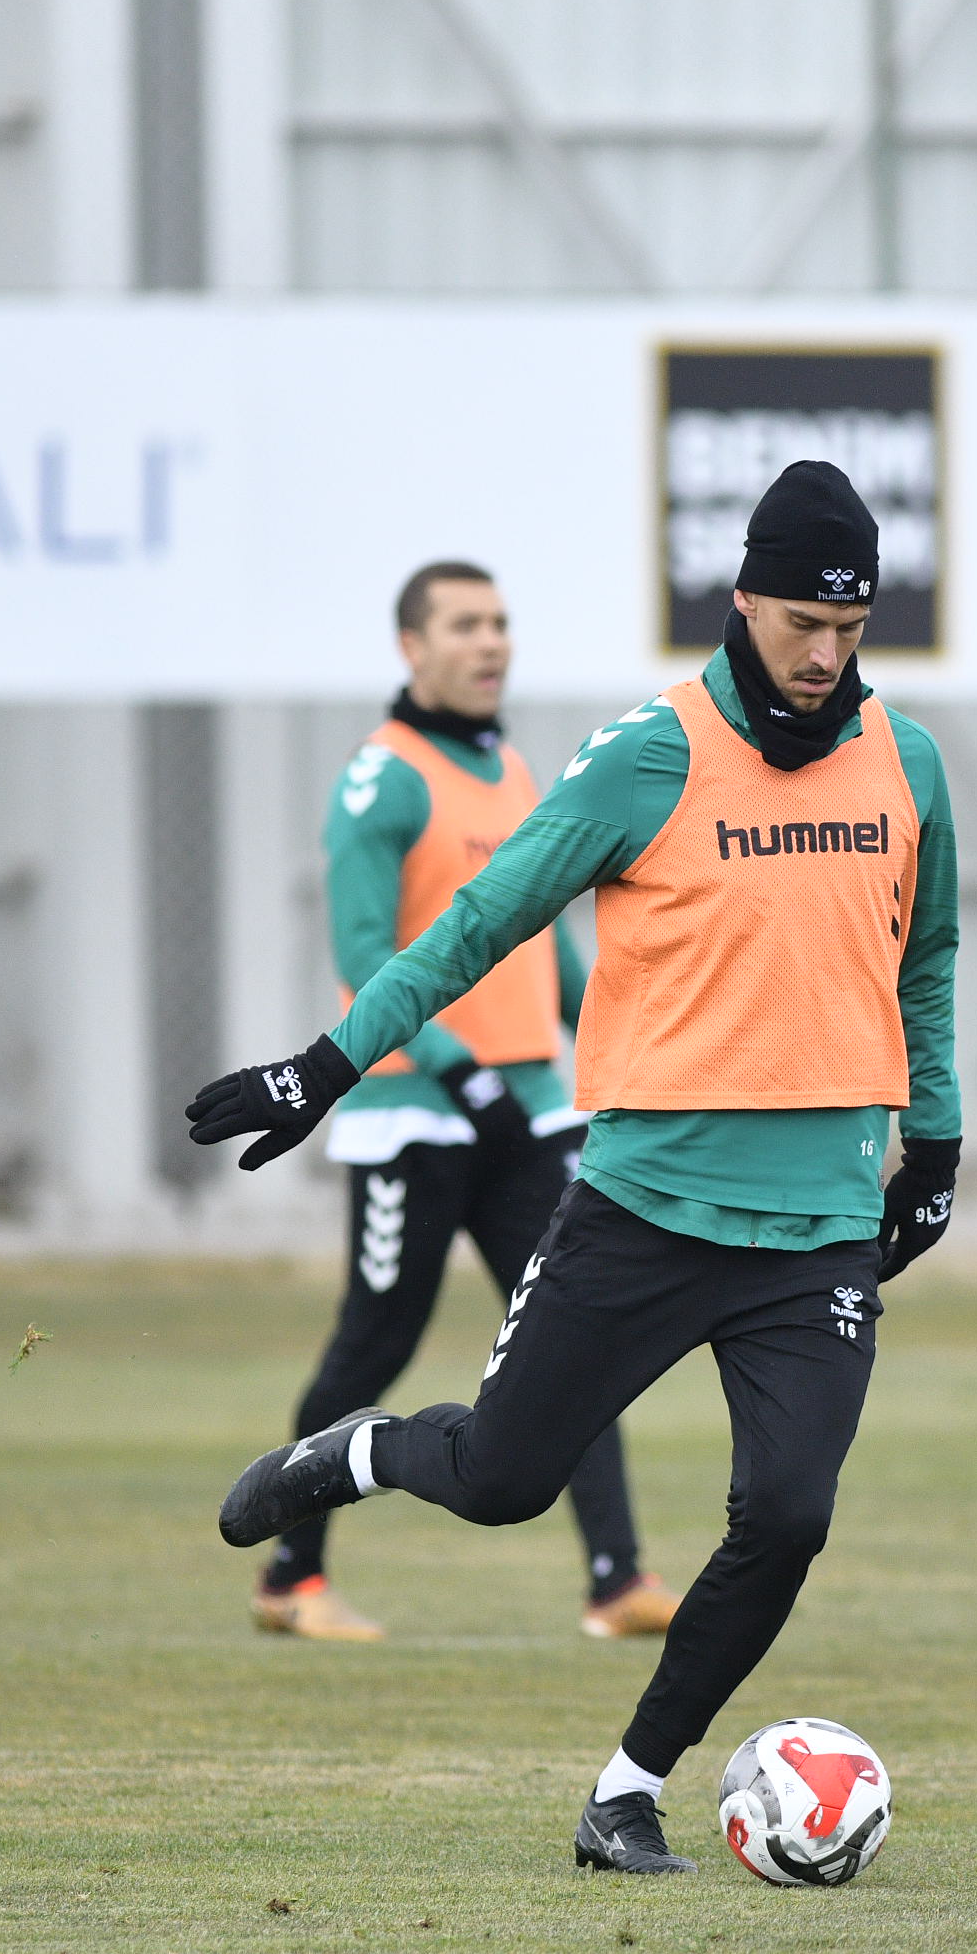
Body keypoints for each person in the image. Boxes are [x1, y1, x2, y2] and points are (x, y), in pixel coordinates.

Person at [185, 461, 962, 1873]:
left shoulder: (906, 763)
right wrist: (329, 1062)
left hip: (821, 1225)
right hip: (645, 1207)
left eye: (849, 632)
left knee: (786, 1517)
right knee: (499, 1481)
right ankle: (345, 1456)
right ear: (744, 603)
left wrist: (942, 1136)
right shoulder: (644, 757)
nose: (824, 656)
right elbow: (480, 921)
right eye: (801, 623)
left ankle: (627, 1791)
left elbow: (930, 955)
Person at [255, 560, 679, 1646]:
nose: (491, 642)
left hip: (525, 1114)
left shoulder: (518, 769)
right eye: (463, 624)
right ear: (412, 647)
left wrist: (622, 1038)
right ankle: (290, 1579)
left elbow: (547, 947)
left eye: (500, 622)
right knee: (373, 1349)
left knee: (577, 1335)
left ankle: (615, 1579)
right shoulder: (381, 780)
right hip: (419, 1116)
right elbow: (362, 954)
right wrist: (465, 1073)